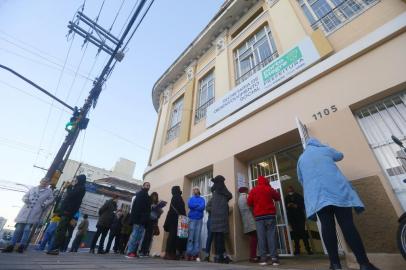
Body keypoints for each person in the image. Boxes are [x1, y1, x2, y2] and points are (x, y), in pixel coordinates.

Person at [297, 138, 379, 270]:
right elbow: (340, 156)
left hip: (318, 197)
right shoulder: (325, 150)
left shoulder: (301, 158)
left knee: (327, 227)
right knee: (348, 226)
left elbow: (301, 179)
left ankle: (335, 265)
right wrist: (326, 147)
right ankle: (364, 264)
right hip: (338, 193)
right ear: (317, 144)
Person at [3, 178, 54, 253]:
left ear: (48, 184)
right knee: (18, 229)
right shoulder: (33, 189)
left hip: (35, 212)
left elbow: (51, 199)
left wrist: (44, 204)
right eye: (43, 181)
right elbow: (25, 196)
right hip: (25, 211)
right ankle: (11, 245)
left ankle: (21, 246)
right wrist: (26, 199)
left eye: (46, 182)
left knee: (27, 230)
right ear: (40, 181)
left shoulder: (48, 191)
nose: (44, 183)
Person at [47, 174, 86, 255]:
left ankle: (55, 248)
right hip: (66, 211)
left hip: (68, 212)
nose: (75, 181)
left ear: (80, 180)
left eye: (76, 180)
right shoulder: (78, 187)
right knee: (60, 230)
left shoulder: (81, 188)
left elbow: (71, 195)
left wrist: (68, 187)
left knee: (61, 230)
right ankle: (54, 248)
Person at [247, 175, 281, 266]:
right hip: (270, 216)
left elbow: (249, 202)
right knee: (271, 236)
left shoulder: (253, 190)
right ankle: (274, 258)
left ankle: (263, 259)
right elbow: (278, 197)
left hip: (259, 217)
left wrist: (254, 210)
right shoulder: (269, 188)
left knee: (261, 237)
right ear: (266, 181)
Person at [210, 175, 232, 264]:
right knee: (221, 237)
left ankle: (218, 256)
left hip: (214, 217)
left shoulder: (214, 191)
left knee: (217, 237)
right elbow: (230, 195)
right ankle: (221, 256)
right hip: (222, 217)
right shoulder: (223, 189)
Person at [285, 186, 313, 255]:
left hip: (300, 217)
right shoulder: (286, 198)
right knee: (295, 235)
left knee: (303, 233)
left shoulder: (299, 196)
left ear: (293, 189)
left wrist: (296, 206)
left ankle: (308, 249)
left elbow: (303, 205)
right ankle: (297, 250)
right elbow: (285, 207)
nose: (289, 191)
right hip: (292, 218)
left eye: (290, 190)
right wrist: (288, 205)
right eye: (288, 191)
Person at [126, 182, 151, 258]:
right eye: (147, 185)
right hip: (138, 219)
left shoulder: (146, 195)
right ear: (143, 186)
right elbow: (137, 208)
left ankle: (134, 252)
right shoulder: (140, 194)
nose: (148, 187)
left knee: (139, 237)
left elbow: (146, 208)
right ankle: (130, 252)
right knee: (135, 236)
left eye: (149, 186)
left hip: (142, 220)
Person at [163, 186, 186, 260]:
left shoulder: (174, 197)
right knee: (173, 237)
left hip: (172, 219)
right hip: (176, 219)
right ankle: (171, 254)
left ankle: (168, 253)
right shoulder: (178, 197)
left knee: (171, 237)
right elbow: (181, 209)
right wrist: (184, 217)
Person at [139, 192, 165, 257]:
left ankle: (146, 251)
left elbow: (158, 215)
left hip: (153, 221)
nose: (155, 197)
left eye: (156, 196)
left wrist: (160, 211)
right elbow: (144, 210)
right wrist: (151, 207)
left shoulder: (157, 203)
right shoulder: (148, 202)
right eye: (154, 196)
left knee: (150, 237)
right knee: (144, 236)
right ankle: (141, 251)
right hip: (147, 220)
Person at [237, 185, 258, 262]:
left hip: (245, 221)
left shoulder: (239, 199)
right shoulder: (247, 196)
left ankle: (253, 255)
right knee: (254, 239)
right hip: (251, 219)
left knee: (252, 238)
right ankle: (253, 256)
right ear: (245, 190)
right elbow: (252, 206)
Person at [186, 187, 205, 261]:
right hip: (192, 218)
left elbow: (202, 207)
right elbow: (190, 205)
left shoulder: (202, 199)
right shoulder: (191, 198)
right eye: (194, 190)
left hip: (199, 219)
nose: (195, 190)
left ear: (199, 191)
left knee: (197, 237)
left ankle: (195, 253)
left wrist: (195, 206)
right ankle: (189, 253)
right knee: (191, 236)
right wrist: (197, 206)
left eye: (196, 189)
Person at [203, 197, 213, 262]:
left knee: (219, 238)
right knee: (209, 237)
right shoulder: (211, 199)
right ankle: (207, 255)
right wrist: (214, 209)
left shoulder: (221, 198)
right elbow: (207, 208)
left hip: (218, 220)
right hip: (211, 219)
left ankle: (219, 255)